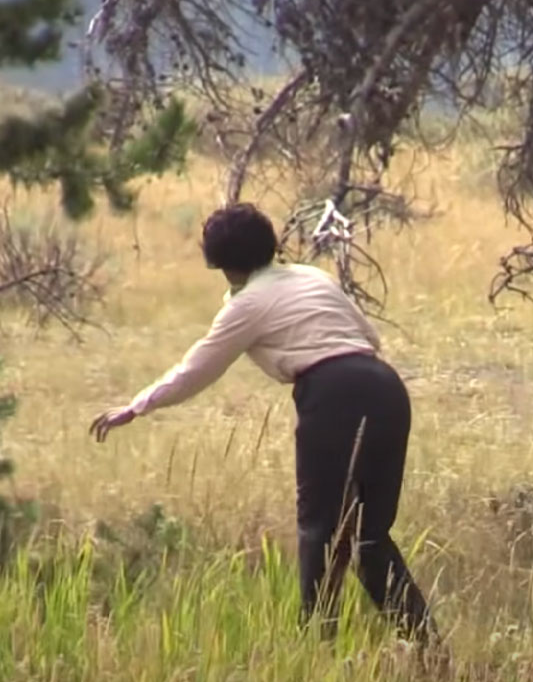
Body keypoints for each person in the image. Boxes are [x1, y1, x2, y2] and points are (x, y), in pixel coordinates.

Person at [90, 202, 436, 645]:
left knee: (319, 531)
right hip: (386, 388)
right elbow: (369, 337)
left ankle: (315, 644)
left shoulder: (246, 304)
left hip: (332, 395)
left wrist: (138, 405)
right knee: (370, 537)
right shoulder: (313, 276)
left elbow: (197, 368)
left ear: (221, 263)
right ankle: (426, 645)